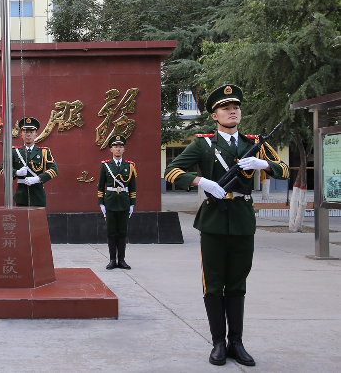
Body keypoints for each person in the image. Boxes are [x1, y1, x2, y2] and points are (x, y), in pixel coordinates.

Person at [164, 85, 289, 366]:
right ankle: (218, 342)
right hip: (213, 222)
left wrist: (263, 164)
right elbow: (171, 171)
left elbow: (284, 169)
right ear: (214, 115)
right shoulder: (203, 144)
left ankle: (237, 342)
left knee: (237, 283)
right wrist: (201, 181)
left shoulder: (253, 142)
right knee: (214, 284)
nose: (233, 112)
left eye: (236, 108)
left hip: (243, 220)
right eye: (226, 108)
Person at [0, 117, 58, 207]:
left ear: (36, 134)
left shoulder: (44, 152)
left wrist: (37, 179)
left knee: (38, 220)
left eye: (31, 132)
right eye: (25, 132)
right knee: (21, 220)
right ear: (21, 134)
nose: (28, 135)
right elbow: (2, 170)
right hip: (21, 195)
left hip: (38, 195)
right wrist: (16, 172)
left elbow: (54, 170)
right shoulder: (14, 152)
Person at [98, 135, 136, 270]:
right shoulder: (106, 165)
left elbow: (132, 186)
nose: (118, 149)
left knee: (122, 232)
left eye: (120, 147)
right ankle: (112, 260)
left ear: (124, 149)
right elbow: (101, 185)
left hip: (124, 203)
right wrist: (101, 203)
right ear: (111, 149)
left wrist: (132, 204)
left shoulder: (130, 166)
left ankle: (122, 260)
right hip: (110, 202)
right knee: (111, 232)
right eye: (115, 147)